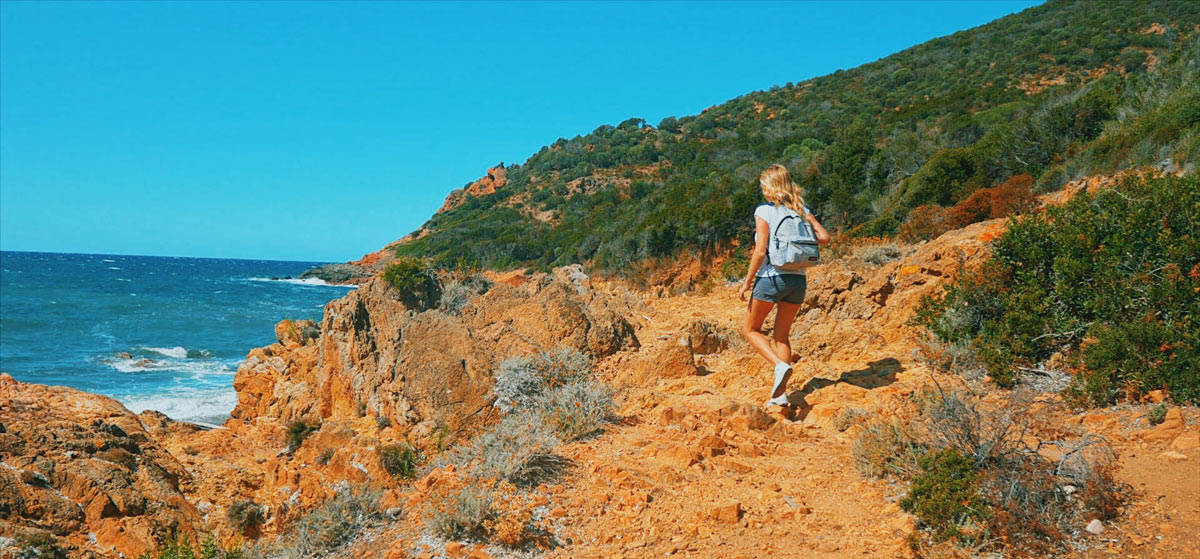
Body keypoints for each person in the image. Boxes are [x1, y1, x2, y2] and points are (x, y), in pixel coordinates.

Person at [737, 164, 830, 406]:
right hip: (797, 280)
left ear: (769, 186)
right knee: (782, 336)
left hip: (771, 278)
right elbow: (825, 237)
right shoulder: (802, 209)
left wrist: (747, 282)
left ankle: (779, 366)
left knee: (751, 329)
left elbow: (759, 251)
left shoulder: (764, 211)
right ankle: (780, 395)